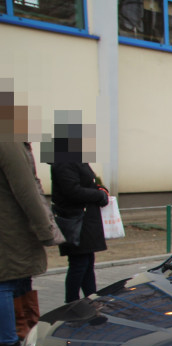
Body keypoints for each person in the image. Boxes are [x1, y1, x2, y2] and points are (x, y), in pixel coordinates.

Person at [0, 89, 62, 346]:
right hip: (11, 227)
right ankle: (10, 344)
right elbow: (26, 190)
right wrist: (47, 230)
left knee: (18, 279)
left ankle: (21, 336)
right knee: (7, 281)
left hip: (9, 225)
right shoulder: (8, 140)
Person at [47, 118, 109, 304]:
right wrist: (98, 195)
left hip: (84, 220)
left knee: (87, 263)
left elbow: (87, 182)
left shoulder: (75, 158)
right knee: (79, 264)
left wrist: (100, 189)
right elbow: (72, 191)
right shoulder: (64, 161)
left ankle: (92, 300)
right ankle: (72, 304)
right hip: (76, 221)